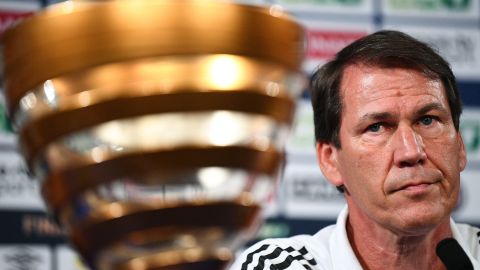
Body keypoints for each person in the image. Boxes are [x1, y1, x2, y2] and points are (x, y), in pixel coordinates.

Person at [230, 30, 480, 270]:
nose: (411, 152)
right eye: (377, 127)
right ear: (330, 161)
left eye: (428, 120)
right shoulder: (279, 265)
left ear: (459, 146)